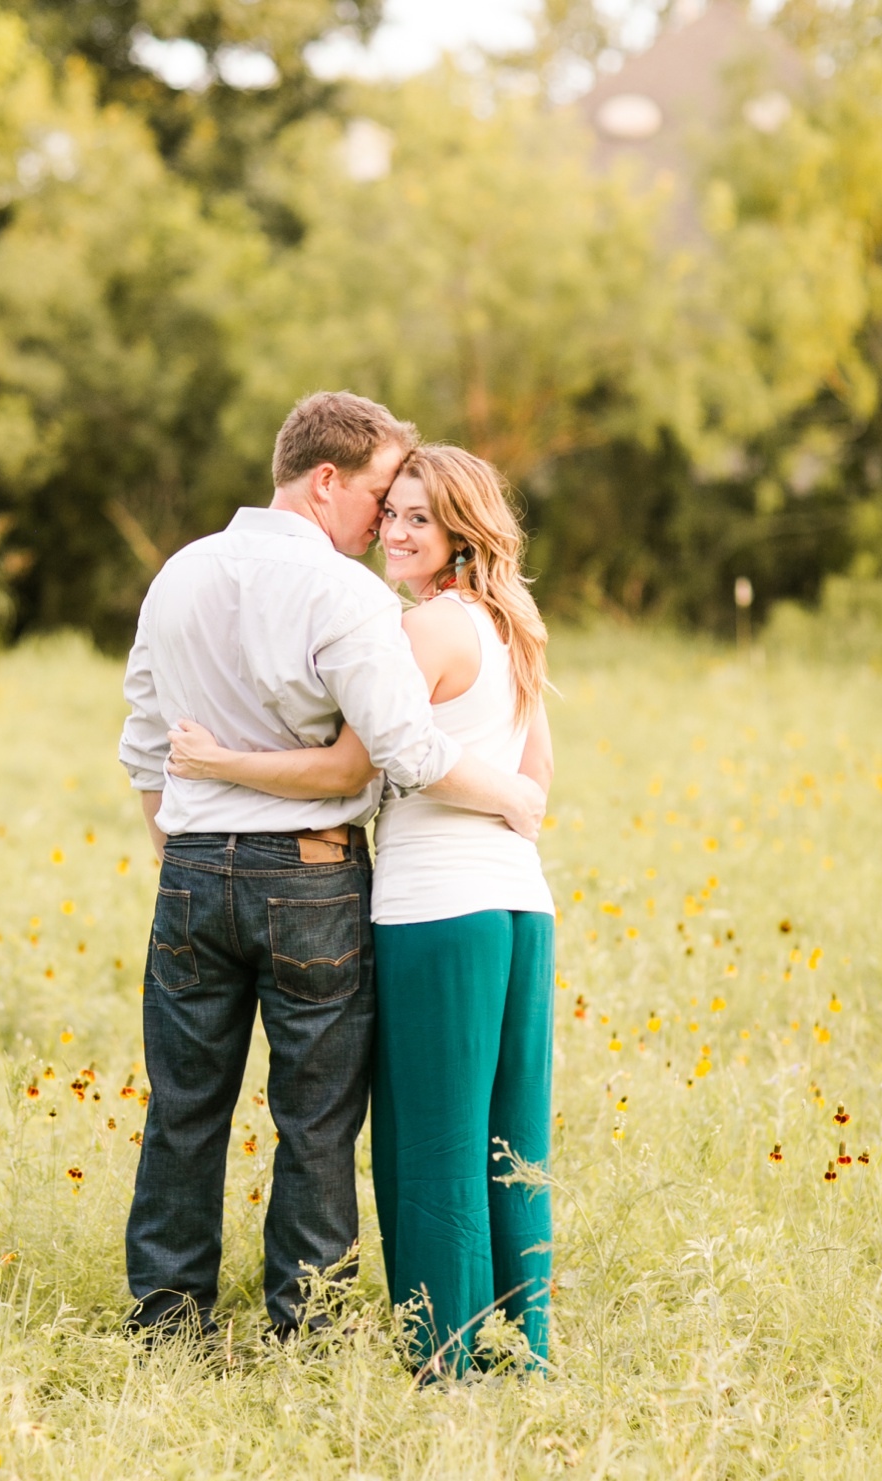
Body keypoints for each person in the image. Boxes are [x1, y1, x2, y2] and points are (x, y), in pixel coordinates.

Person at [118, 394, 546, 1345]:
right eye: (378, 494)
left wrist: (181, 846)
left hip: (189, 872)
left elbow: (145, 743)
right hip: (310, 877)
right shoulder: (347, 595)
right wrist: (515, 797)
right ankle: (303, 1328)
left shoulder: (180, 573)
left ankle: (166, 1320)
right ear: (326, 482)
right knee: (315, 1116)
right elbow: (407, 750)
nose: (382, 519)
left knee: (183, 1104)